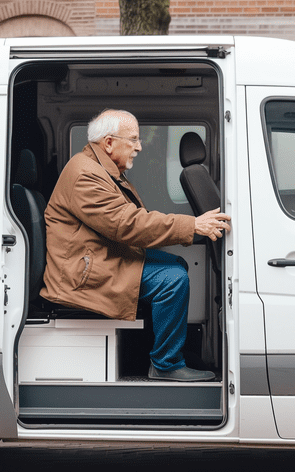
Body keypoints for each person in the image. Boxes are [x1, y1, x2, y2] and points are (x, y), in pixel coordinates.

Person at [40, 109, 232, 382]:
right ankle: (166, 364)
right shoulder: (86, 175)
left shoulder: (100, 168)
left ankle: (163, 349)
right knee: (173, 280)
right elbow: (126, 224)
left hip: (95, 259)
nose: (139, 147)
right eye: (133, 140)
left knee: (176, 263)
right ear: (109, 143)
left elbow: (127, 221)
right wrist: (192, 225)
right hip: (81, 274)